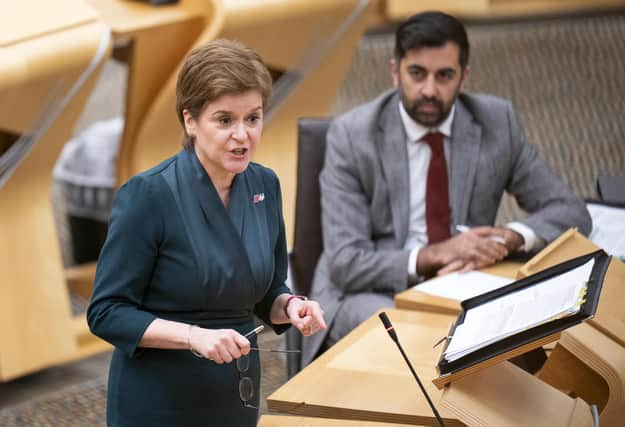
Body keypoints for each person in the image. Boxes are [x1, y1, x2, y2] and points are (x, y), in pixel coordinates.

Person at [302, 11, 591, 367]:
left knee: (537, 336)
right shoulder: (353, 135)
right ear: (395, 72)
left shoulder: (496, 122)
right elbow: (347, 263)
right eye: (417, 74)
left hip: (462, 282)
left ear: (463, 77)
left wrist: (507, 237)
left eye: (444, 76)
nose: (429, 90)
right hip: (369, 290)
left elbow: (569, 210)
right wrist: (436, 253)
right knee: (427, 337)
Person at [87, 39, 327, 426]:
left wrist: (290, 305)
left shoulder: (265, 185)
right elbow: (106, 312)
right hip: (159, 400)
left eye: (253, 118)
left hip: (235, 392)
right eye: (225, 120)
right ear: (190, 120)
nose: (242, 135)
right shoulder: (148, 195)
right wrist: (192, 336)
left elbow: (266, 287)